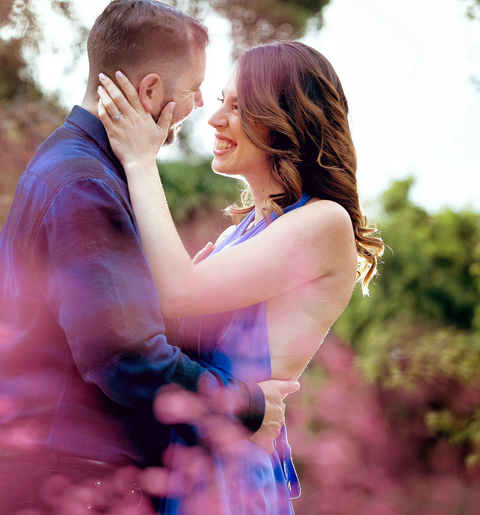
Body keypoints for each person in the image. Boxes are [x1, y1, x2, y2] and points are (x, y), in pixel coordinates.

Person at [0, 0, 298, 515]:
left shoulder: (72, 168)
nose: (198, 109)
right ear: (150, 91)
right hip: (72, 481)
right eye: (192, 91)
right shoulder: (84, 184)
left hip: (57, 476)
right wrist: (248, 406)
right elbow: (124, 358)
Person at [93, 40, 384, 514]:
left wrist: (141, 161)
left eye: (239, 107)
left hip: (229, 480)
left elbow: (177, 291)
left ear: (288, 120)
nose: (215, 119)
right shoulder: (246, 231)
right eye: (223, 102)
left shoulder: (325, 223)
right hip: (186, 459)